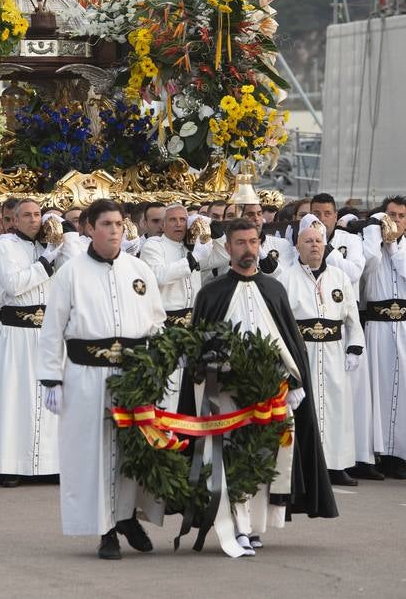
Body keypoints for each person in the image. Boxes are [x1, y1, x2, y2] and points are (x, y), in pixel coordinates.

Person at [180, 218, 337, 556]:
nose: (248, 249)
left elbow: (289, 343)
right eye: (241, 243)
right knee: (232, 456)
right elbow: (198, 346)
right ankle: (236, 525)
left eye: (253, 242)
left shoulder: (274, 289)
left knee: (267, 457)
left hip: (271, 391)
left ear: (260, 243)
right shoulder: (211, 293)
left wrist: (294, 382)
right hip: (226, 392)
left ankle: (253, 526)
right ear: (229, 247)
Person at [37, 198, 166, 559]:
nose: (113, 231)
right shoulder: (70, 274)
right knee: (92, 452)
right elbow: (52, 330)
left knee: (131, 450)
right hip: (86, 376)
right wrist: (51, 379)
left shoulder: (139, 270)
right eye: (106, 224)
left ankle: (126, 517)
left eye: (118, 224)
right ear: (88, 228)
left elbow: (157, 321)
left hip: (132, 375)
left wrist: (159, 362)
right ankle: (104, 529)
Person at [0, 199, 78, 486]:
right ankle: (10, 466)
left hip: (47, 330)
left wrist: (66, 231)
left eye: (38, 214)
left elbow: (74, 268)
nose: (34, 220)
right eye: (27, 215)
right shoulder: (6, 246)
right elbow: (13, 285)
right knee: (16, 398)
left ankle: (52, 464)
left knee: (50, 397)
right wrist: (45, 263)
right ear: (14, 220)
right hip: (16, 331)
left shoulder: (47, 244)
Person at [280, 227, 364, 486]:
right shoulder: (286, 278)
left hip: (334, 352)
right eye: (308, 241)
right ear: (297, 246)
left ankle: (337, 466)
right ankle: (306, 467)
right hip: (303, 352)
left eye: (318, 241)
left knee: (337, 408)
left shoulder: (339, 277)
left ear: (326, 245)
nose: (314, 245)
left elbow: (352, 315)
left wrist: (355, 347)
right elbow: (281, 322)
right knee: (307, 410)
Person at [139, 205, 217, 410]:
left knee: (193, 389)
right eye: (173, 220)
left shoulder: (191, 247)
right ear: (163, 224)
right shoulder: (154, 246)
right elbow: (160, 276)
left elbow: (224, 256)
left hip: (193, 328)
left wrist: (211, 228)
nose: (179, 224)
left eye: (183, 220)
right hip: (167, 327)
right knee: (170, 390)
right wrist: (193, 259)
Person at [362, 197, 406, 478]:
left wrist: (394, 245)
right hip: (377, 326)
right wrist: (379, 241)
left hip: (403, 325)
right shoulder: (368, 246)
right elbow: (364, 271)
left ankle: (399, 454)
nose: (396, 221)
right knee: (375, 391)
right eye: (391, 215)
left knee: (402, 393)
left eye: (401, 216)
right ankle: (376, 453)